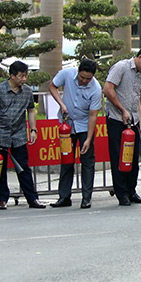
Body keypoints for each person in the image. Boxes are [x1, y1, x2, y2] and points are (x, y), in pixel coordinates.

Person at [103, 44, 141, 206]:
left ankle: (132, 191)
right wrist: (122, 109)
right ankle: (122, 194)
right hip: (116, 120)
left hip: (133, 121)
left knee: (133, 159)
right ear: (140, 57)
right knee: (118, 157)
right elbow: (107, 89)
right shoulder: (121, 67)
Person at [0, 61, 45, 210]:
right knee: (1, 168)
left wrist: (33, 129)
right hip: (1, 133)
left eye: (25, 76)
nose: (24, 79)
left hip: (19, 134)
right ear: (12, 76)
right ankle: (2, 199)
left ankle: (32, 198)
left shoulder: (26, 91)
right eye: (21, 76)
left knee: (23, 167)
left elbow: (31, 109)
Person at [48, 59, 102, 209]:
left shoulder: (96, 89)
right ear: (78, 71)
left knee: (87, 161)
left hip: (85, 126)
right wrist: (61, 104)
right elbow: (52, 86)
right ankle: (64, 197)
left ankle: (86, 198)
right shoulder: (67, 73)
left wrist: (88, 139)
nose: (84, 81)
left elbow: (93, 116)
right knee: (66, 159)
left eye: (88, 79)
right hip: (67, 124)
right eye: (82, 77)